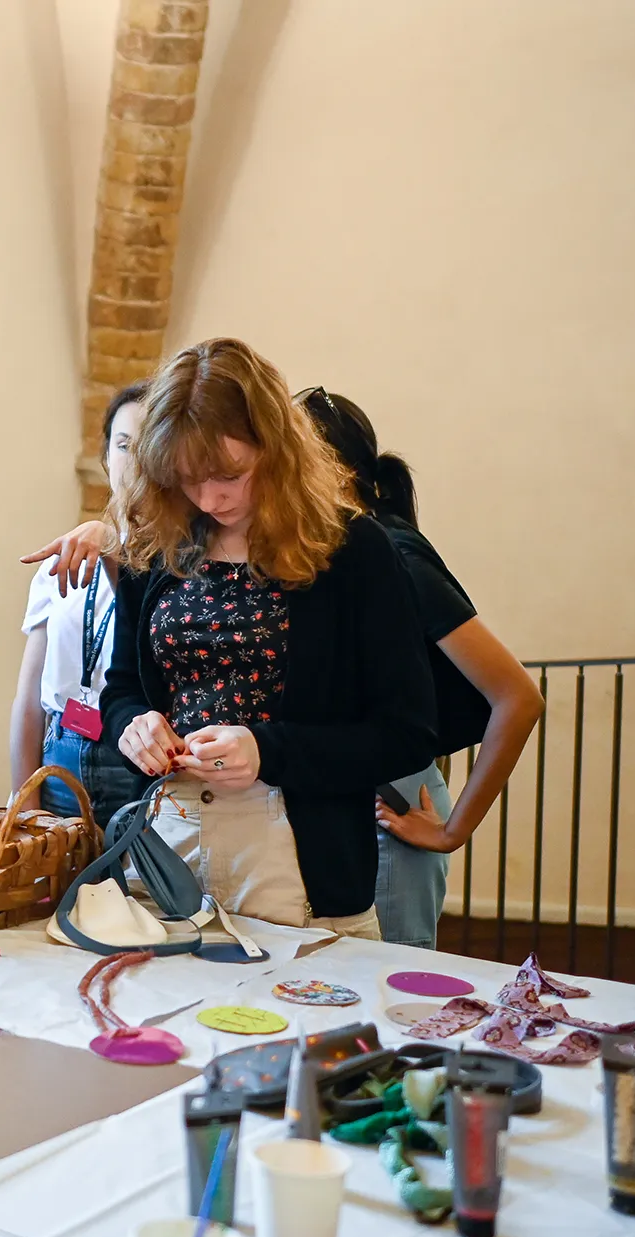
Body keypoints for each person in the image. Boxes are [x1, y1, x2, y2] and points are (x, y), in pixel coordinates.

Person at [101, 338, 436, 937]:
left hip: (301, 857)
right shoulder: (155, 543)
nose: (210, 498)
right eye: (187, 479)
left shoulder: (351, 551)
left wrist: (267, 750)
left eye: (229, 475)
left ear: (275, 449)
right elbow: (122, 689)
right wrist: (135, 726)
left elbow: (408, 733)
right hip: (168, 837)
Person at [298, 387, 542, 948]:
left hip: (392, 810)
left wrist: (453, 830)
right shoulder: (340, 557)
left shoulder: (393, 554)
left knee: (392, 988)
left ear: (335, 471)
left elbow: (518, 697)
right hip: (348, 806)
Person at [10, 382, 149, 822]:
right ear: (106, 457)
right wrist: (23, 803)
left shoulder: (178, 568)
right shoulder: (66, 557)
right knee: (52, 869)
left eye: (149, 446)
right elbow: (29, 696)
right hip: (61, 752)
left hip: (133, 762)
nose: (135, 462)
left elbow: (144, 636)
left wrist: (109, 542)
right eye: (123, 446)